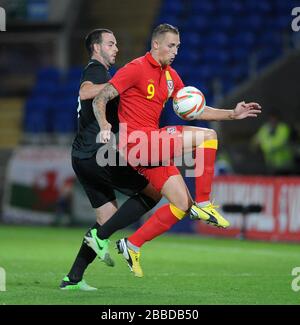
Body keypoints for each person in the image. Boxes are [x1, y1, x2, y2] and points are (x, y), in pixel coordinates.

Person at [93, 23, 261, 277]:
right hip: (137, 142)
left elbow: (196, 110)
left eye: (178, 47)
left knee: (181, 204)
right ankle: (204, 203)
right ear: (156, 44)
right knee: (208, 137)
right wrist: (105, 124)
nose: (175, 51)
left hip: (151, 147)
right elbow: (100, 98)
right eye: (171, 46)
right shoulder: (135, 68)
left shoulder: (171, 76)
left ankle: (132, 244)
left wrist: (232, 114)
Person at [60, 29, 161, 290]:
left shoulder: (101, 72)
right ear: (96, 47)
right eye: (110, 43)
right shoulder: (96, 69)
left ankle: (73, 278)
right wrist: (120, 86)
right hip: (97, 152)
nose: (116, 48)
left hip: (81, 156)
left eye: (116, 43)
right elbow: (85, 92)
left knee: (107, 216)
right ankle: (99, 236)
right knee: (153, 191)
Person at [252, 110, 294, 175]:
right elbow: (256, 140)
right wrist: (256, 144)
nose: (272, 120)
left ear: (278, 119)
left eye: (274, 118)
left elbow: (280, 142)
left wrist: (265, 144)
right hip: (271, 163)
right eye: (270, 118)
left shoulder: (283, 127)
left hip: (284, 164)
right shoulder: (265, 128)